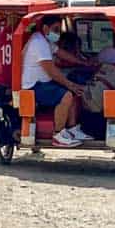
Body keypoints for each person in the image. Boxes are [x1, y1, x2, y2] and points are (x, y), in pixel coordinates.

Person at [20, 15, 92, 147]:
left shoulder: (45, 41)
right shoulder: (38, 43)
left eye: (59, 30)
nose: (58, 34)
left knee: (75, 92)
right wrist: (70, 84)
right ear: (46, 28)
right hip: (33, 86)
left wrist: (83, 62)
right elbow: (51, 70)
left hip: (43, 82)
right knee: (66, 95)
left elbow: (61, 53)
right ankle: (58, 135)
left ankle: (72, 129)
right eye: (56, 29)